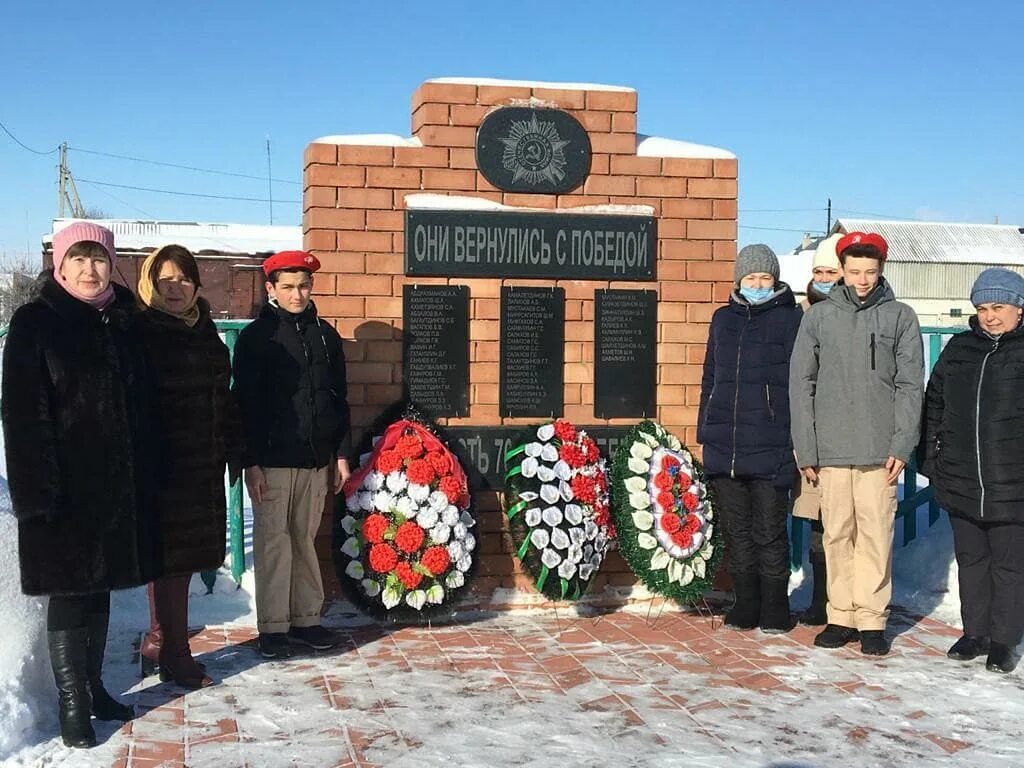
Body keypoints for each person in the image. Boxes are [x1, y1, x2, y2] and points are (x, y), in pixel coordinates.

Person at [1, 222, 160, 748]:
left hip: (115, 487)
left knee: (100, 589)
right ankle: (73, 705)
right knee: (70, 595)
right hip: (61, 490)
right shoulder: (36, 322)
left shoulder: (122, 321)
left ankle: (94, 688)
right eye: (80, 259)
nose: (90, 269)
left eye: (99, 259)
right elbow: (24, 417)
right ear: (61, 265)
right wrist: (38, 497)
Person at [790, 231, 923, 656]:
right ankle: (840, 616)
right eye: (854, 271)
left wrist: (901, 445)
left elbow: (909, 385)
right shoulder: (819, 317)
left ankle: (871, 619)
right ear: (842, 271)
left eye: (870, 271)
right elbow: (801, 383)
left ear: (880, 270)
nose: (862, 279)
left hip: (878, 451)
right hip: (830, 449)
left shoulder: (900, 317)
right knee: (836, 535)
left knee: (875, 537)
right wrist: (805, 448)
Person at [233, 250, 352, 659]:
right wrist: (249, 462)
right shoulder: (256, 338)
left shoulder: (325, 335)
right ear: (271, 289)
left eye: (303, 285)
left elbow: (339, 399)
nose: (297, 294)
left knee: (304, 540)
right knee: (273, 544)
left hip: (317, 459)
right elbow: (243, 404)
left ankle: (307, 620)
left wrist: (340, 454)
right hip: (273, 461)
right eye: (287, 287)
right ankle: (273, 628)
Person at [136, 244, 243, 688]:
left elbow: (224, 398)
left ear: (197, 284)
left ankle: (160, 642)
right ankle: (176, 656)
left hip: (202, 467)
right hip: (161, 468)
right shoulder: (141, 331)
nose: (174, 287)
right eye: (165, 278)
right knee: (171, 562)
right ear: (150, 283)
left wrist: (233, 450)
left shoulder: (205, 332)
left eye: (183, 278)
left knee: (176, 562)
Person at [920, 268, 1024, 674]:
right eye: (982, 308)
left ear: (1018, 307)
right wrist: (933, 463)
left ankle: (1003, 641)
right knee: (971, 560)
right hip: (962, 479)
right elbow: (935, 405)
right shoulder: (960, 349)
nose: (990, 316)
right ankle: (975, 633)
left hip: (1012, 482)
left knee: (1010, 566)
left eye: (998, 307)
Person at [698, 244, 803, 633]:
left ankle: (776, 604)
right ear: (739, 280)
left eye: (765, 278)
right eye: (751, 278)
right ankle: (746, 601)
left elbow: (798, 383)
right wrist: (704, 427)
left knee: (769, 529)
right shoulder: (722, 319)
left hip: (771, 442)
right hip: (724, 443)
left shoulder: (791, 319)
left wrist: (794, 438)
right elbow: (711, 376)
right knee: (736, 530)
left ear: (775, 280)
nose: (758, 285)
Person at [792, 232, 843, 626]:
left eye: (832, 271)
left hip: (846, 434)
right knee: (817, 524)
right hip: (813, 435)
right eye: (819, 271)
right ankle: (820, 598)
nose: (824, 277)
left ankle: (847, 601)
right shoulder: (804, 313)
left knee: (848, 527)